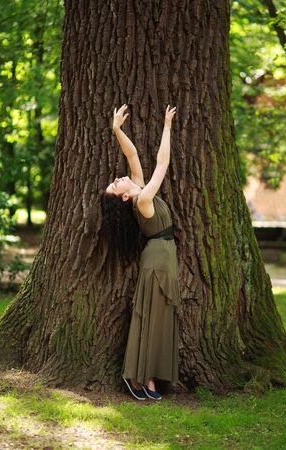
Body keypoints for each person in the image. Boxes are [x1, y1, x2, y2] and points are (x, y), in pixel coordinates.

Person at [102, 104, 180, 401]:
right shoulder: (143, 200)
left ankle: (148, 377)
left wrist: (117, 130)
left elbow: (132, 156)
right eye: (115, 183)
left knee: (158, 316)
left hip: (163, 256)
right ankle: (140, 377)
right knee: (151, 315)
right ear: (124, 196)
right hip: (158, 260)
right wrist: (167, 126)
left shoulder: (138, 188)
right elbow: (162, 165)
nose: (118, 178)